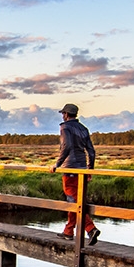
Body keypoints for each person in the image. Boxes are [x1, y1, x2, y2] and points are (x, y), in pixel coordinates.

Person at [50, 103, 100, 245]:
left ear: (66, 114)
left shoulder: (65, 127)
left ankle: (90, 229)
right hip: (82, 169)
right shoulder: (84, 129)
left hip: (70, 168)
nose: (62, 116)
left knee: (73, 200)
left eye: (63, 114)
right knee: (76, 200)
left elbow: (67, 146)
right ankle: (68, 231)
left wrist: (57, 164)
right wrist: (89, 169)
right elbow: (91, 151)